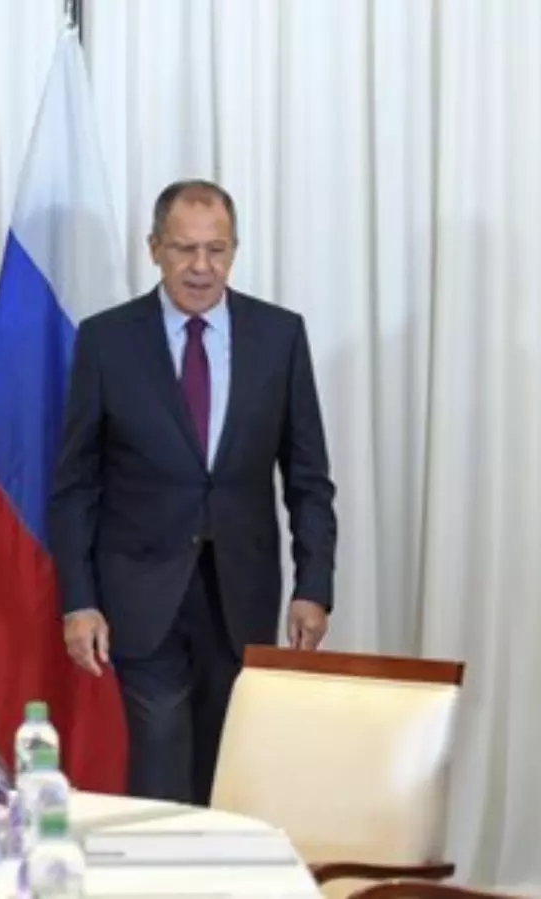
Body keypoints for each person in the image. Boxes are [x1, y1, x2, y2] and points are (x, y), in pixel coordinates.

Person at [47, 180, 337, 804]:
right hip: (140, 597)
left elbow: (308, 478)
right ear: (154, 248)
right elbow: (75, 486)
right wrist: (79, 601)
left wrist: (314, 586)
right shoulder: (107, 340)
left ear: (234, 250)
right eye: (184, 249)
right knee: (159, 767)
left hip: (241, 594)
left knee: (226, 772)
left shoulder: (280, 336)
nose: (201, 267)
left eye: (216, 250)